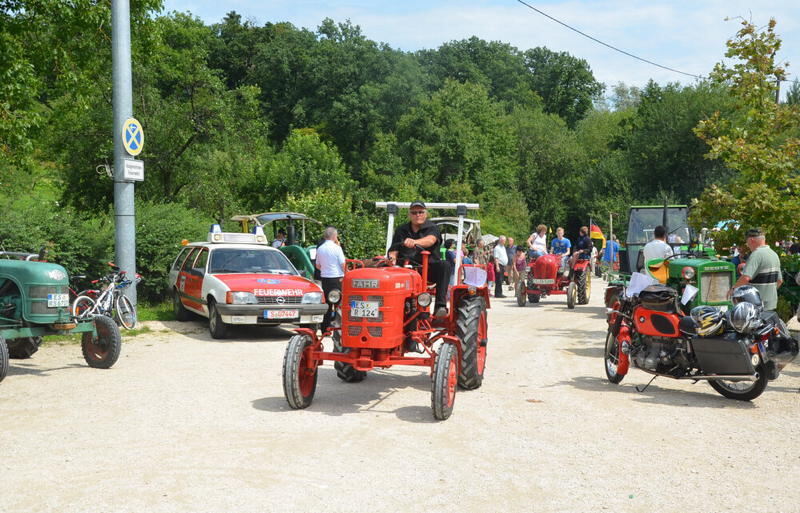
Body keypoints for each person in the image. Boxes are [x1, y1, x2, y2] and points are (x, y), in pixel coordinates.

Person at [388, 201, 450, 317]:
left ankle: (440, 306)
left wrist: (415, 242)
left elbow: (431, 240)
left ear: (426, 214)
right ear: (409, 215)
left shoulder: (432, 228)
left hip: (429, 269)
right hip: (405, 269)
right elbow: (394, 249)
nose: (418, 215)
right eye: (414, 212)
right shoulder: (401, 230)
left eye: (421, 212)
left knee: (444, 265)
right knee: (383, 269)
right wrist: (391, 258)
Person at [730, 228, 782, 312]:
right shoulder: (774, 254)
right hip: (771, 304)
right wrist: (768, 292)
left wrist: (733, 290)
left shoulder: (756, 255)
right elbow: (780, 280)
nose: (747, 244)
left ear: (751, 240)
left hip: (756, 305)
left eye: (747, 241)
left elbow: (746, 278)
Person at [315, 226, 346, 331]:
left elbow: (317, 265)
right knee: (339, 303)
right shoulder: (337, 248)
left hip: (325, 278)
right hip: (337, 278)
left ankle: (325, 327)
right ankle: (338, 325)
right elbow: (343, 264)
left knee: (327, 302)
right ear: (334, 236)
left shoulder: (320, 248)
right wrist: (346, 273)